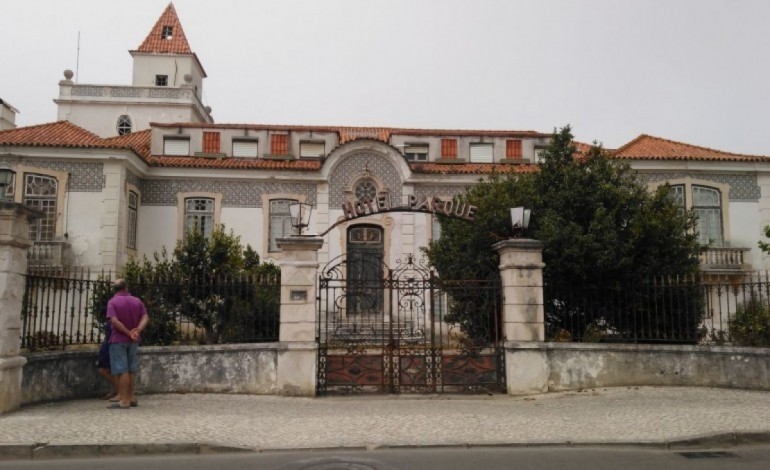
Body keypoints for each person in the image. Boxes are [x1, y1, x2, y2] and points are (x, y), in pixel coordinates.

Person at [106, 279, 148, 409]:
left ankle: (124, 400)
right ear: (126, 287)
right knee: (131, 369)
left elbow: (114, 320)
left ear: (115, 289)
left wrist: (127, 332)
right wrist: (137, 330)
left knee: (122, 370)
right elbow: (145, 317)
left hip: (118, 339)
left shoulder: (112, 302)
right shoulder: (137, 301)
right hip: (133, 340)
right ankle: (131, 397)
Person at [97, 320, 118, 400]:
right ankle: (117, 390)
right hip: (108, 343)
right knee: (106, 369)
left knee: (105, 369)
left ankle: (119, 390)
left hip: (112, 344)